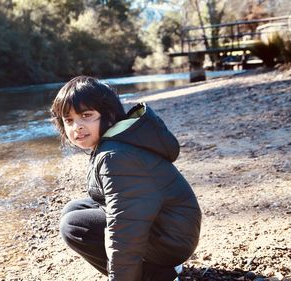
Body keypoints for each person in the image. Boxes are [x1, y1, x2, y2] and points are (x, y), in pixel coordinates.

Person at [50, 76, 202, 281]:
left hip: (172, 239)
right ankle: (161, 267)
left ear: (110, 115)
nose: (76, 126)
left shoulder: (115, 156)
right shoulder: (114, 143)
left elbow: (125, 229)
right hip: (169, 225)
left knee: (74, 227)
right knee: (73, 209)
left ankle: (157, 275)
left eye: (86, 115)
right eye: (69, 120)